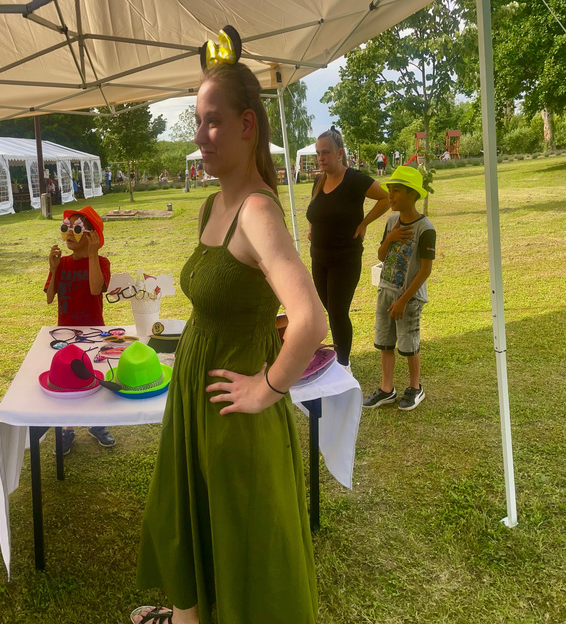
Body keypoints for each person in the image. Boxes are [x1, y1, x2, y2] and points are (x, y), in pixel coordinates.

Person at [131, 27, 327, 624]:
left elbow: (310, 320)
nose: (200, 136)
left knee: (244, 538)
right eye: (197, 121)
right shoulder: (212, 205)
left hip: (233, 411)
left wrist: (266, 387)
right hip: (195, 394)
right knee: (192, 516)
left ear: (247, 126)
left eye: (212, 122)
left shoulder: (258, 212)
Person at [306, 127, 392, 368]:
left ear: (340, 153)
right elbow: (315, 209)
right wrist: (312, 226)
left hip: (345, 258)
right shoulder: (319, 180)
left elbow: (386, 197)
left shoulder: (354, 179)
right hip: (319, 257)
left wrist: (364, 223)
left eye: (325, 152)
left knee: (338, 312)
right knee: (331, 310)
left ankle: (343, 365)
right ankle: (338, 358)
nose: (321, 158)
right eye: (318, 153)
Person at [363, 166, 435, 411]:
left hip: (409, 298)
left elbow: (425, 270)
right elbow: (381, 255)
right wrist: (390, 238)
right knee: (385, 341)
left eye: (396, 191)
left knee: (408, 343)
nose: (390, 196)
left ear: (412, 194)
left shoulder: (425, 229)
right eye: (390, 190)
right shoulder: (392, 222)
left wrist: (404, 300)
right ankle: (387, 389)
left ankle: (415, 387)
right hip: (386, 290)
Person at [42, 206, 115, 450]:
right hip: (65, 334)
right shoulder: (62, 263)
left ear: (92, 235)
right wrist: (53, 270)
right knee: (68, 379)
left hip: (93, 333)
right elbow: (49, 297)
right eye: (66, 227)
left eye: (76, 228)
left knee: (93, 376)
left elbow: (95, 289)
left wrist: (93, 255)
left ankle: (96, 422)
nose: (69, 234)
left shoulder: (101, 262)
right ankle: (67, 428)